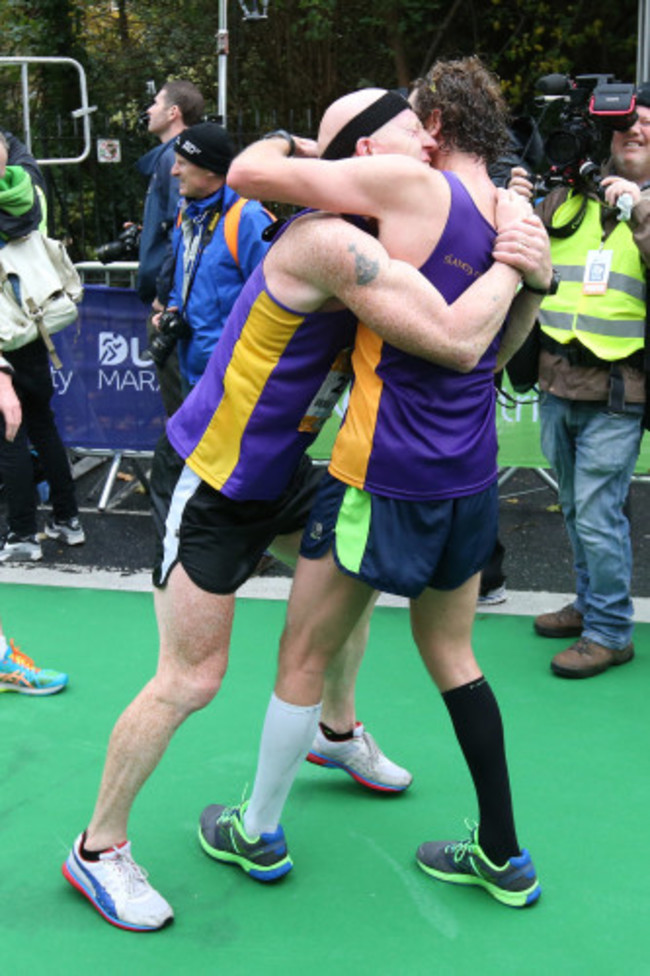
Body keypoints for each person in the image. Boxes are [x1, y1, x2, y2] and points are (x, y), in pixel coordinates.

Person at [61, 78, 547, 930]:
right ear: (364, 153)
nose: (431, 145)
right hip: (211, 474)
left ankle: (335, 728)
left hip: (283, 468)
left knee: (339, 582)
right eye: (411, 132)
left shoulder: (390, 231)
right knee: (193, 678)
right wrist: (517, 266)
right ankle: (98, 849)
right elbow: (457, 340)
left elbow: (469, 361)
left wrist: (526, 271)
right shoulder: (331, 243)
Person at [198, 59, 551, 909]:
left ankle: (258, 828)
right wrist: (526, 272)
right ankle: (502, 851)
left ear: (432, 123)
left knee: (303, 653)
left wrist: (304, 145)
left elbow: (243, 174)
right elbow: (498, 356)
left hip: (379, 474)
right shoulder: (512, 212)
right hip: (468, 476)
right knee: (454, 656)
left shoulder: (408, 182)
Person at [510, 84, 650, 679]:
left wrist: (639, 207)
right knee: (574, 508)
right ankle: (593, 605)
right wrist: (516, 200)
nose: (634, 133)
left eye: (645, 125)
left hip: (619, 390)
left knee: (597, 513)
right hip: (558, 381)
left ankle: (612, 630)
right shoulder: (573, 197)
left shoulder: (639, 205)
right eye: (624, 128)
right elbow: (524, 255)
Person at [0, 130, 85, 562]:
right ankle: (69, 520)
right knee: (42, 422)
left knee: (9, 434)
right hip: (35, 324)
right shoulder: (27, 188)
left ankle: (21, 536)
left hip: (4, 331)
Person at [159, 121, 273, 396]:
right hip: (193, 367)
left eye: (182, 164)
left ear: (210, 170)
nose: (174, 172)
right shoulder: (186, 212)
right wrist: (175, 306)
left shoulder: (248, 219)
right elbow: (186, 275)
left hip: (233, 376)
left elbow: (274, 299)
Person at [136, 80, 204, 415]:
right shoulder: (172, 157)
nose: (148, 110)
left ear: (173, 112)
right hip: (174, 299)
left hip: (171, 304)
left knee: (181, 411)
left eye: (155, 103)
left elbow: (181, 233)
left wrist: (164, 297)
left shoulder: (172, 159)